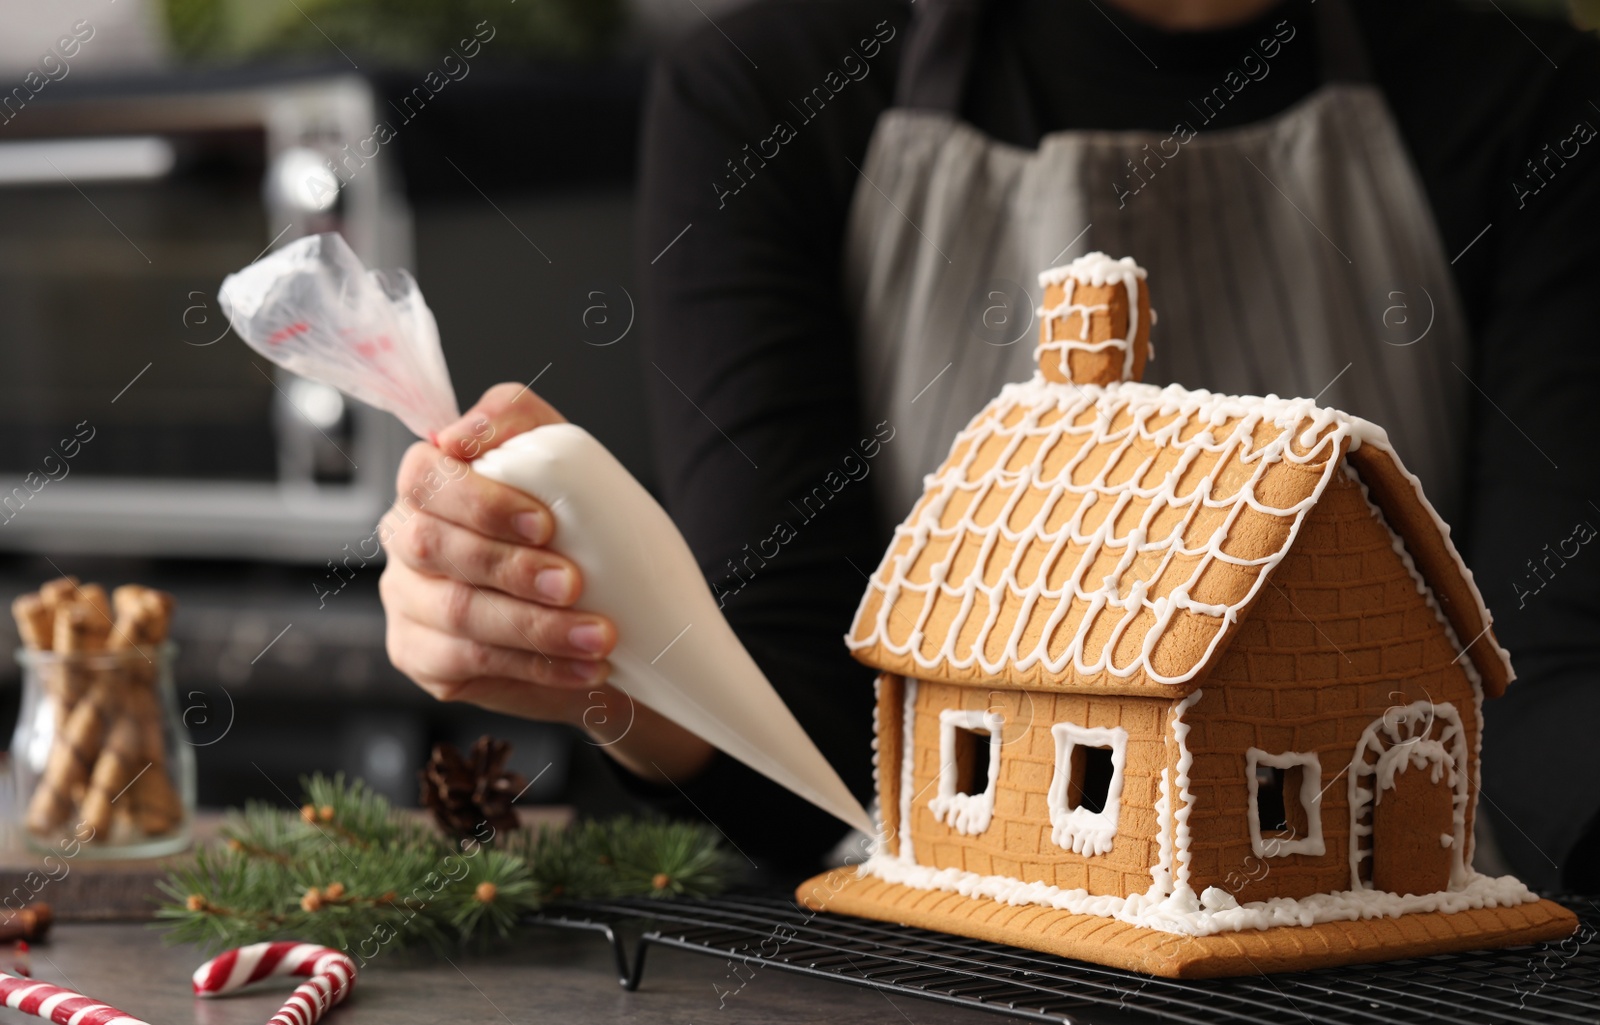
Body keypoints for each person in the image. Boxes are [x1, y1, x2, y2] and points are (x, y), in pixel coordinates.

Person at [381, 0, 1600, 887]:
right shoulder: (773, 92)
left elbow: (1543, 691)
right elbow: (810, 740)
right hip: (950, 962)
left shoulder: (1532, 96)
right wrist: (606, 661)